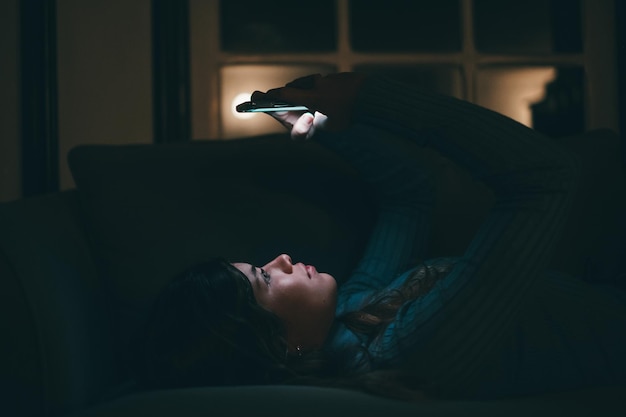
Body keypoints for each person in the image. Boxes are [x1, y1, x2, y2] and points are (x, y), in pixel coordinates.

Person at [134, 73, 626, 400]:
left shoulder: (348, 316)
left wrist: (327, 123)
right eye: (264, 279)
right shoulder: (408, 350)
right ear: (278, 348)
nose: (281, 258)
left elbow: (409, 195)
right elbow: (545, 176)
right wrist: (367, 97)